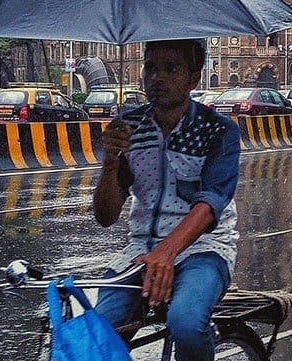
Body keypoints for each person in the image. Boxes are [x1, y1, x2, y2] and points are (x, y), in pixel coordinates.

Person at [93, 39, 240, 361]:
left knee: (186, 322)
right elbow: (105, 216)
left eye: (171, 69)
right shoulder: (129, 128)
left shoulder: (218, 131)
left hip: (203, 251)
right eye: (151, 68)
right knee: (97, 336)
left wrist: (166, 253)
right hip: (140, 251)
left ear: (193, 79)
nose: (157, 78)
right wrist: (111, 161)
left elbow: (210, 204)